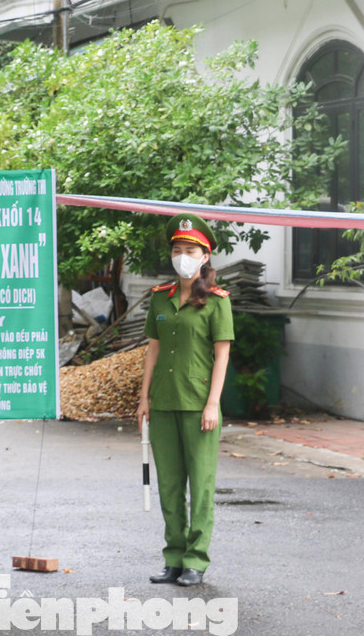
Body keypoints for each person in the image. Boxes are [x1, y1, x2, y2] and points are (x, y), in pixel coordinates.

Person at [136, 213, 234, 587]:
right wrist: (143, 398)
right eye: (177, 249)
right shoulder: (160, 299)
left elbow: (222, 354)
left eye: (190, 250)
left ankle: (196, 559)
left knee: (202, 484)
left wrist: (213, 404)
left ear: (204, 255)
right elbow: (152, 350)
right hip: (162, 401)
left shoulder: (216, 301)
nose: (183, 256)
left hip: (198, 404)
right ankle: (173, 558)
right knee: (171, 485)